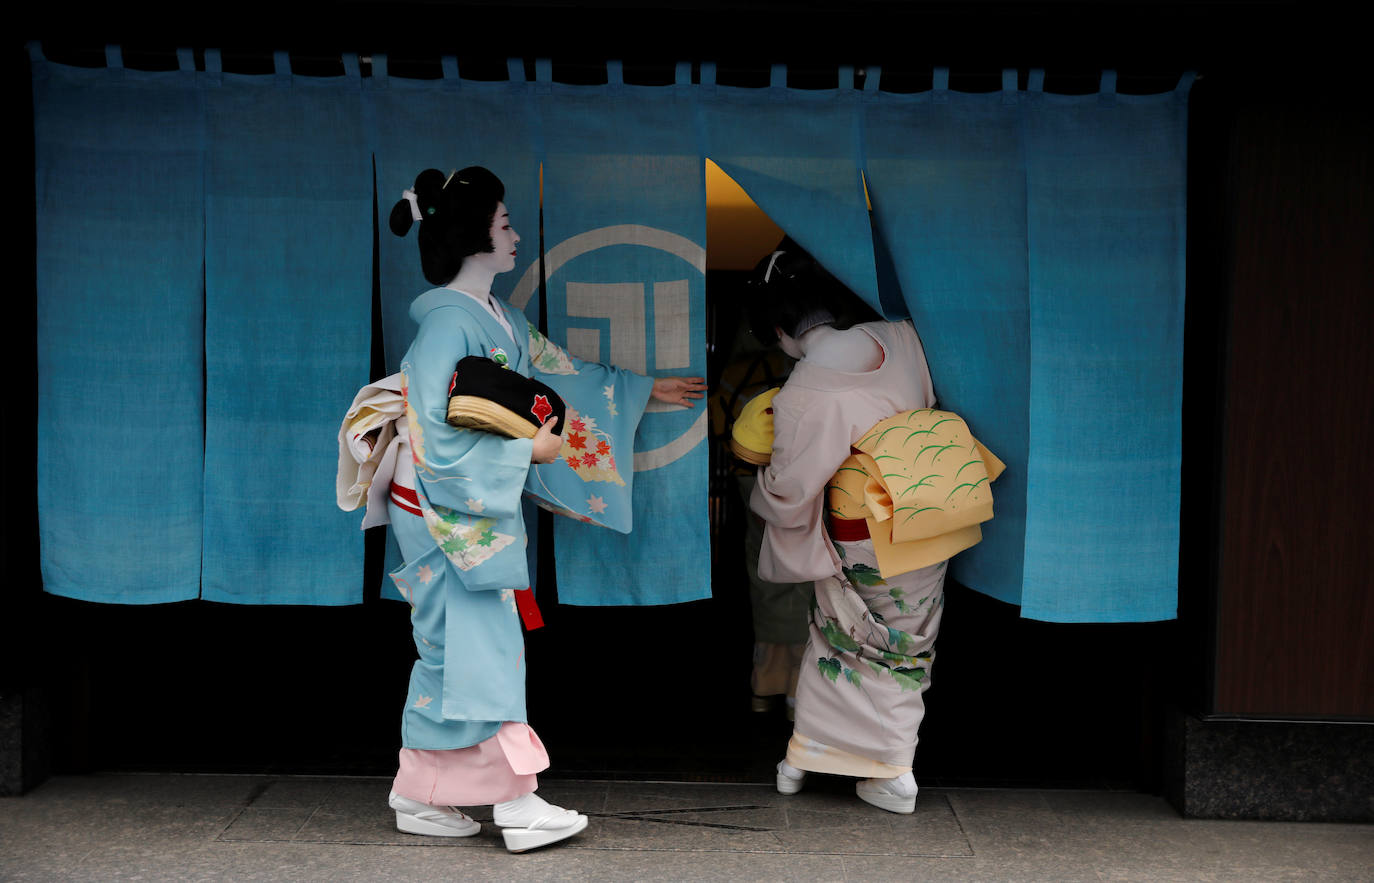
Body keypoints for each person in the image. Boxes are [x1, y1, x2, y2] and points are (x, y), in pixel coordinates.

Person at [382, 166, 704, 851]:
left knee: (448, 650)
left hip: (457, 498)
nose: (515, 235)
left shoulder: (502, 320)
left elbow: (563, 375)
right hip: (443, 501)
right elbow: (436, 433)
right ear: (472, 237)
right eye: (503, 224)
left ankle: (419, 791)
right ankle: (517, 802)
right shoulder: (445, 326)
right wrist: (526, 453)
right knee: (485, 647)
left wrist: (642, 390)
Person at [746, 239, 942, 815]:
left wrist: (760, 482)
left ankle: (879, 769)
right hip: (929, 509)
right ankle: (817, 754)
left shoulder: (804, 391)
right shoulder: (902, 338)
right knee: (908, 642)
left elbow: (791, 489)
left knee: (844, 636)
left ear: (779, 326)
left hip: (861, 527)